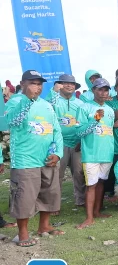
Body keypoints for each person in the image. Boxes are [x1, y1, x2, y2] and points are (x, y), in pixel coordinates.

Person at [6, 70, 64, 246]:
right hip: (25, 160)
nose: (36, 87)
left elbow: (56, 130)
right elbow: (13, 121)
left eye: (39, 84)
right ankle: (23, 233)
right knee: (24, 197)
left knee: (49, 193)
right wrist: (28, 100)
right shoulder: (15, 102)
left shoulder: (46, 105)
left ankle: (44, 226)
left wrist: (58, 153)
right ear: (23, 84)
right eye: (32, 83)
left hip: (47, 158)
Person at [75, 78, 115, 229]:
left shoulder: (110, 110)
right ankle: (89, 217)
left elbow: (110, 131)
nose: (103, 92)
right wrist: (95, 120)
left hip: (106, 153)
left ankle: (97, 212)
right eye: (100, 89)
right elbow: (79, 132)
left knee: (101, 183)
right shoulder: (84, 108)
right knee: (90, 185)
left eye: (106, 89)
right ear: (93, 91)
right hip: (91, 153)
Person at [46, 74, 86, 209]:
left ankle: (81, 200)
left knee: (79, 174)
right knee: (57, 175)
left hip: (76, 144)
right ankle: (53, 205)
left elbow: (84, 123)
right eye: (65, 83)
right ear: (59, 85)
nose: (69, 85)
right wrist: (54, 92)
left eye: (72, 84)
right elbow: (46, 107)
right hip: (59, 144)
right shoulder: (54, 100)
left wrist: (81, 140)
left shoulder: (80, 103)